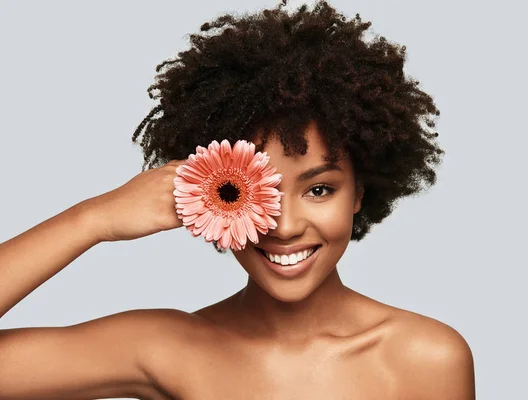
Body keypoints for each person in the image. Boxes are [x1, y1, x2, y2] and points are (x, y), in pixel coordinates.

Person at [0, 1, 475, 398]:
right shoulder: (165, 348)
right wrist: (93, 220)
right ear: (210, 199)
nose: (284, 226)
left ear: (360, 194)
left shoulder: (426, 358)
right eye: (255, 191)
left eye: (319, 189)